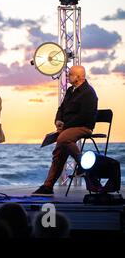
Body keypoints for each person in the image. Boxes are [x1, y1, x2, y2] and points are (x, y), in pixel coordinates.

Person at [32, 65, 98, 196]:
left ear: (79, 77)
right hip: (68, 128)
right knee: (59, 152)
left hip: (83, 127)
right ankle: (48, 186)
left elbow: (84, 116)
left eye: (70, 74)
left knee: (62, 138)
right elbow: (61, 109)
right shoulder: (70, 91)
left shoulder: (88, 93)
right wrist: (58, 121)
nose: (68, 76)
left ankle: (82, 164)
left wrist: (65, 126)